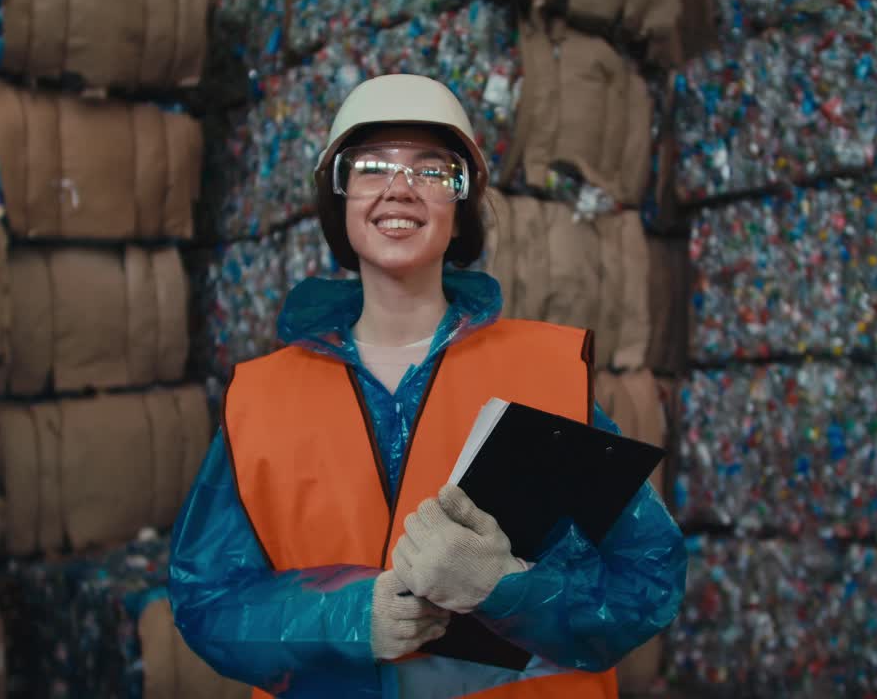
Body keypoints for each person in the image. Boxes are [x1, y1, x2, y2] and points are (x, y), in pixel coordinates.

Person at [169, 74, 686, 698]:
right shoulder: (261, 400)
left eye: (433, 172)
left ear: (461, 204)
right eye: (371, 168)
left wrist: (507, 586)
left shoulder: (546, 377)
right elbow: (207, 601)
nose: (400, 189)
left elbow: (648, 578)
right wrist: (352, 618)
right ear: (340, 200)